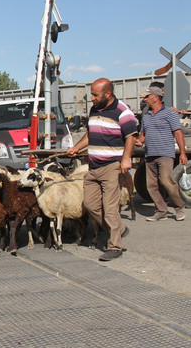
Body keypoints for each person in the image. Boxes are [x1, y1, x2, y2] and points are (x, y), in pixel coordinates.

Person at [67, 78, 138, 261]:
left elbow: (131, 136)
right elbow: (90, 134)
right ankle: (118, 229)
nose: (92, 98)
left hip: (112, 167)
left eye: (95, 94)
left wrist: (126, 159)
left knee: (110, 207)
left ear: (108, 94)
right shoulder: (94, 109)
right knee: (91, 205)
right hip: (93, 167)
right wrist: (77, 147)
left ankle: (115, 246)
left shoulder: (122, 111)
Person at [135, 86, 187, 222]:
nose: (145, 99)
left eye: (147, 97)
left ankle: (179, 207)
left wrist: (183, 153)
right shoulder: (146, 116)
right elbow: (143, 135)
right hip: (149, 154)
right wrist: (138, 142)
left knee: (166, 182)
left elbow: (178, 133)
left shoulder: (170, 113)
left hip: (165, 153)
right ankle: (161, 211)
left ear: (155, 97)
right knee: (151, 186)